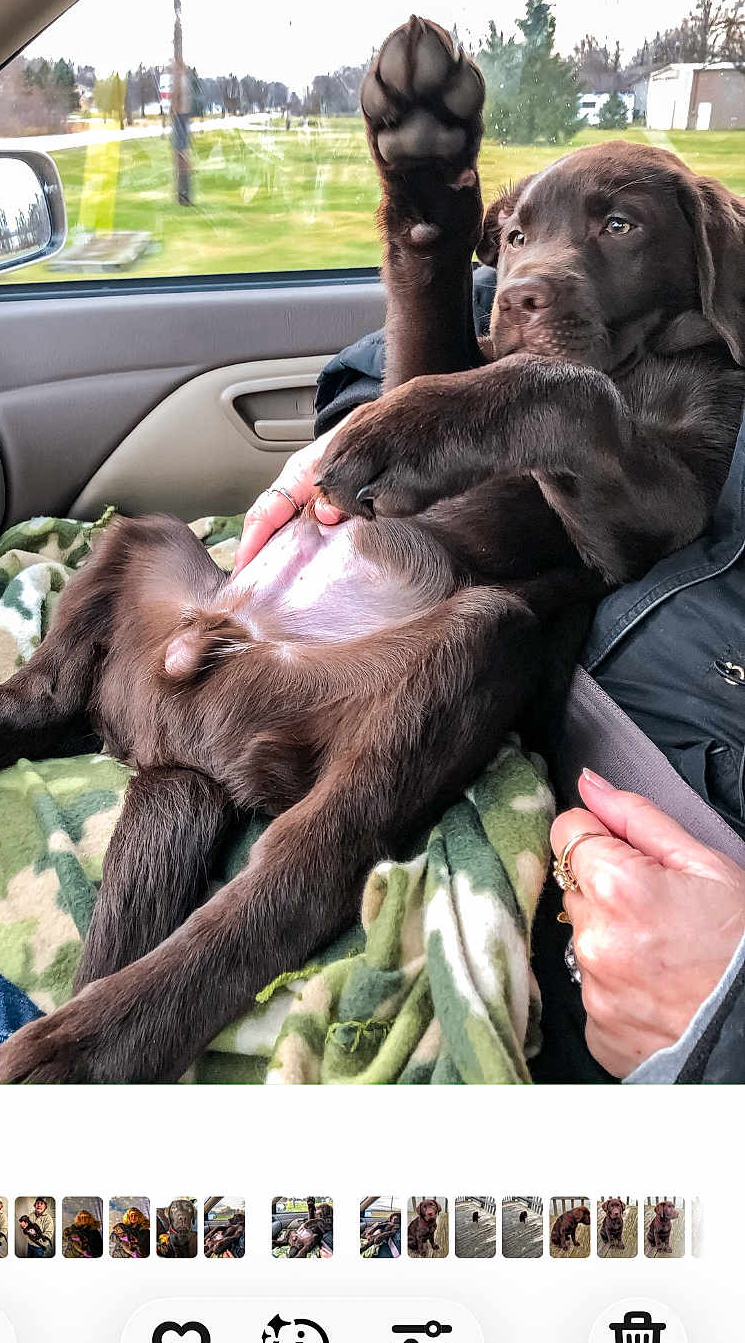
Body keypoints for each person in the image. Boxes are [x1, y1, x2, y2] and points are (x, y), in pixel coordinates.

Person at [234, 311, 745, 1086]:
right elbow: (535, 298)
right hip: (426, 708)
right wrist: (390, 429)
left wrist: (724, 1023)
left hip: (576, 1017)